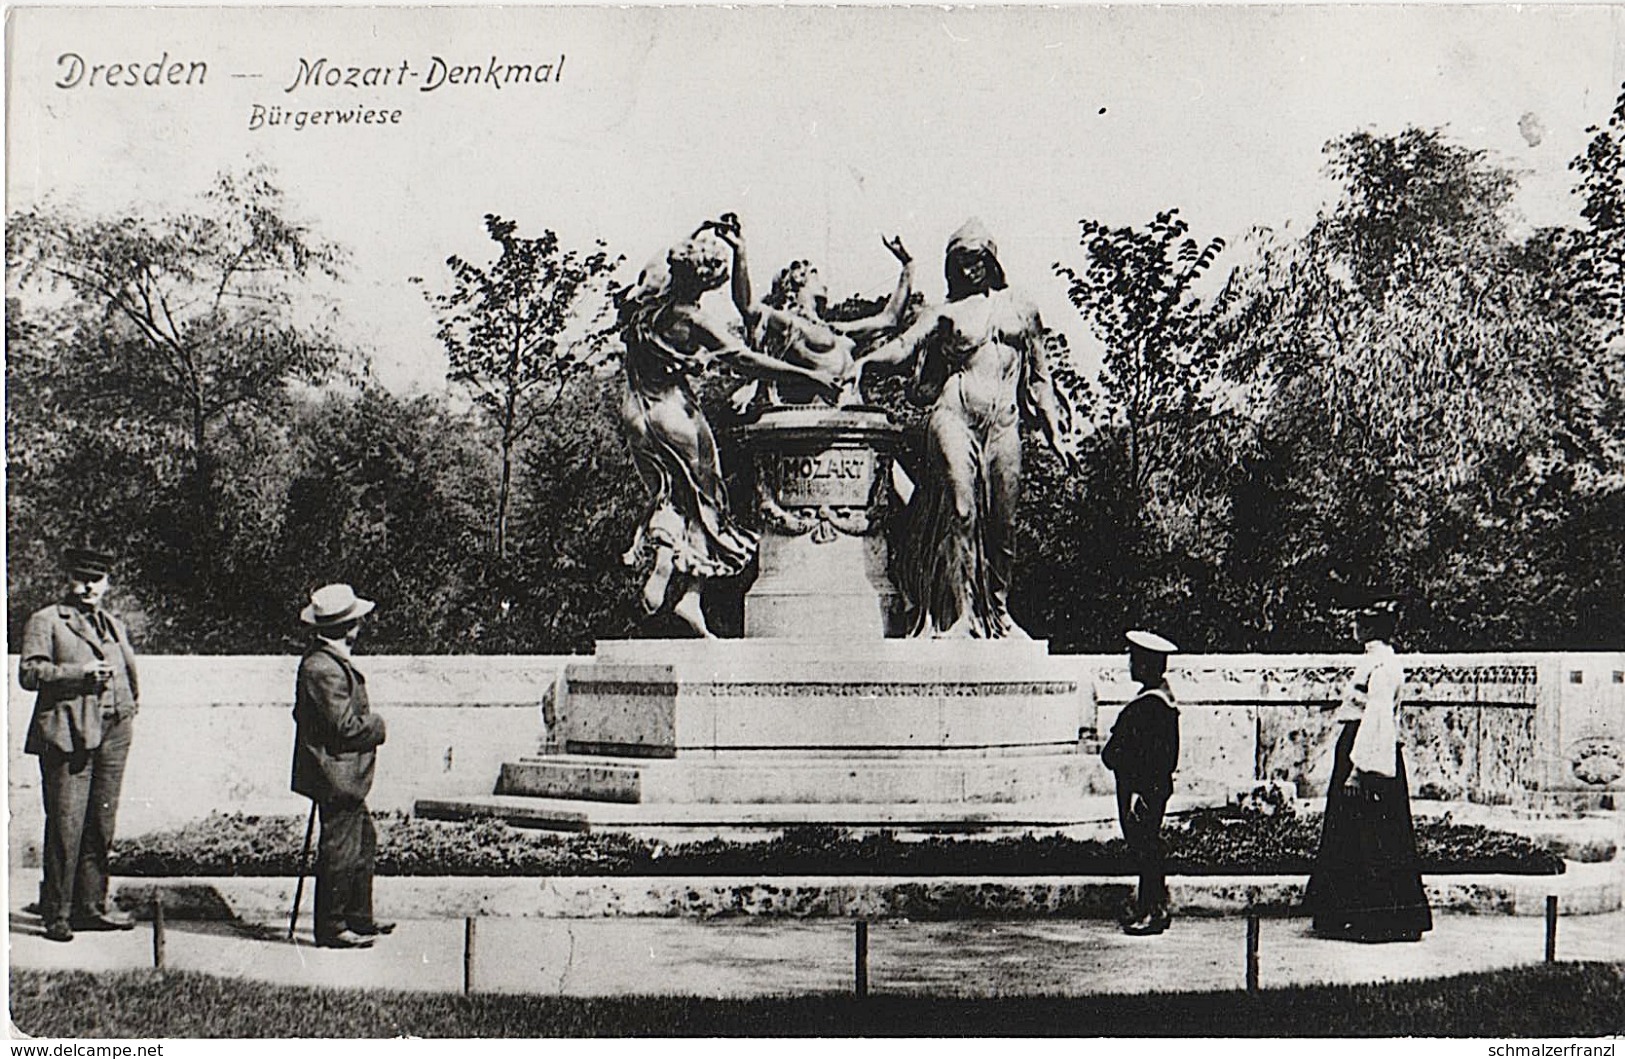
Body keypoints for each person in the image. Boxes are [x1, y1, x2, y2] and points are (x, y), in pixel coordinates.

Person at [855, 218, 1078, 637]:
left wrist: (1055, 435)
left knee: (1003, 525)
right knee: (961, 510)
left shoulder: (1021, 308)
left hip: (1004, 425)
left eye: (974, 260)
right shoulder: (942, 313)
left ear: (990, 260)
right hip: (954, 415)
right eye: (958, 262)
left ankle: (997, 612)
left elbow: (1040, 378)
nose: (966, 270)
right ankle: (958, 615)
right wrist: (866, 362)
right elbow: (904, 347)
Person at [618, 226, 841, 637]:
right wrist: (807, 374)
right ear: (708, 280)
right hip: (676, 415)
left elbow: (653, 268)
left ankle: (682, 589)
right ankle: (676, 569)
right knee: (708, 501)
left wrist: (698, 232)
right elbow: (748, 361)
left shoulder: (645, 307)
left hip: (635, 413)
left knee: (667, 492)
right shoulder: (693, 320)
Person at [19, 546, 141, 942]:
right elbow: (29, 672)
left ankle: (91, 907)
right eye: (82, 577)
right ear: (68, 578)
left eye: (98, 579)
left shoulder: (112, 623)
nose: (89, 586)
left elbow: (127, 670)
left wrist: (129, 706)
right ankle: (58, 913)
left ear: (107, 583)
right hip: (67, 733)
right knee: (66, 825)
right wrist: (78, 674)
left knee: (100, 824)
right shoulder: (47, 620)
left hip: (114, 732)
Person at [1304, 590, 1433, 943]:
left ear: (1369, 627)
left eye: (1358, 621)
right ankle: (1343, 913)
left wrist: (1359, 770)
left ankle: (1380, 919)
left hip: (1369, 754)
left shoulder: (1382, 666)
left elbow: (1377, 718)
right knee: (1351, 834)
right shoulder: (1374, 661)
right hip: (1361, 747)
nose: (1353, 627)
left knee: (1372, 838)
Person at [716, 214, 914, 411]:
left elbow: (889, 320)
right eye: (815, 274)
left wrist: (907, 266)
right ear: (798, 277)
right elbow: (748, 306)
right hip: (813, 422)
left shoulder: (837, 329)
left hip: (850, 418)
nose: (824, 283)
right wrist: (739, 251)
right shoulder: (790, 324)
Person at [291, 583, 392, 949]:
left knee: (363, 842)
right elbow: (344, 727)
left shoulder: (328, 662)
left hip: (341, 773)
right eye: (357, 619)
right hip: (335, 775)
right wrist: (378, 725)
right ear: (347, 625)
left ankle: (358, 918)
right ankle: (332, 927)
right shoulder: (322, 667)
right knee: (341, 851)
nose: (361, 624)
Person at [1101, 630, 1181, 936]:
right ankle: (1151, 905)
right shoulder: (1160, 700)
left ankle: (1153, 911)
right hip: (1147, 789)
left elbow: (1149, 757)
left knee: (1146, 848)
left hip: (1141, 790)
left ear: (1146, 665)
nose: (1131, 664)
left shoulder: (1151, 706)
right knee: (1146, 847)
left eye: (1135, 659)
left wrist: (1139, 794)